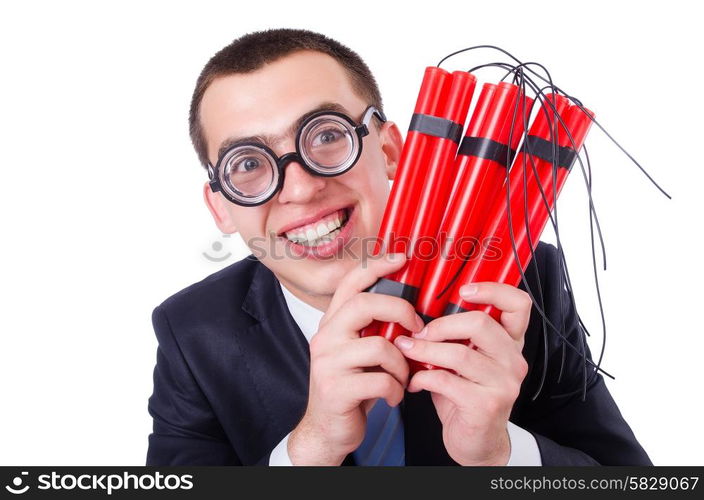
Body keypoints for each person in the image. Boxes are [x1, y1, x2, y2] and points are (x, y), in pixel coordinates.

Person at [145, 28, 651, 466]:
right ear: (221, 209)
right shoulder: (192, 332)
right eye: (248, 164)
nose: (299, 189)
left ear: (390, 151)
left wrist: (500, 454)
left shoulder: (520, 277)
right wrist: (311, 449)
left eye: (326, 135)